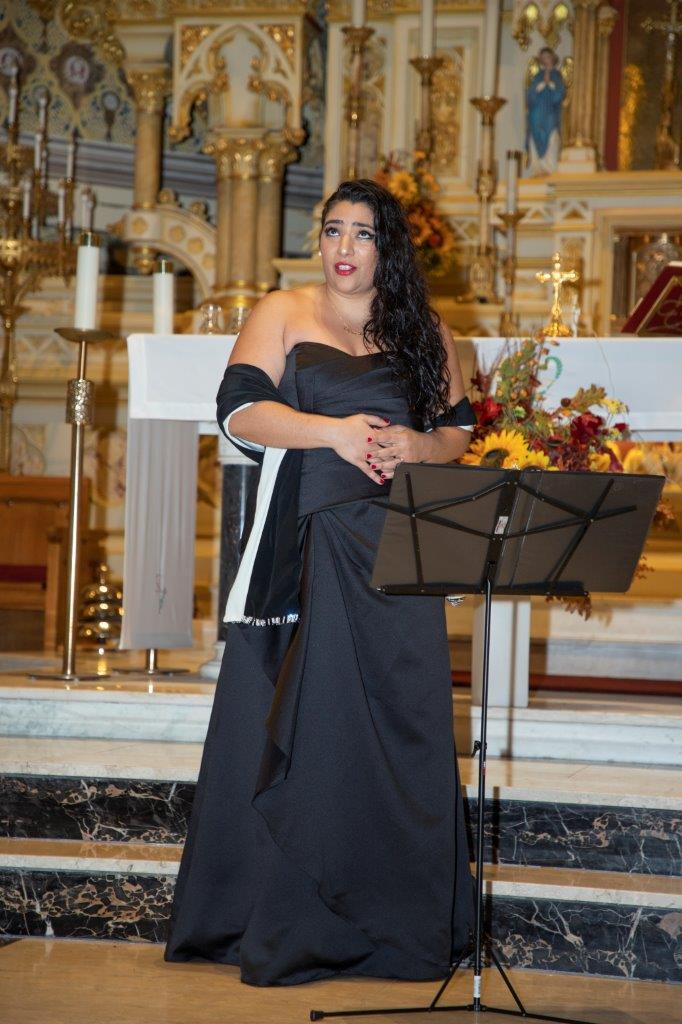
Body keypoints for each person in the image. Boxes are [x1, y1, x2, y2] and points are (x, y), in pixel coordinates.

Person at [163, 178, 476, 987]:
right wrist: (331, 433)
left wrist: (420, 447)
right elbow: (238, 412)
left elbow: (457, 429)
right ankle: (286, 922)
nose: (343, 247)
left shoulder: (424, 328)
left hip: (401, 553)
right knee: (315, 727)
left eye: (362, 234)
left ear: (387, 247)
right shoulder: (283, 310)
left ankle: (397, 925)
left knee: (401, 728)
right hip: (307, 548)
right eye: (333, 230)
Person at [526, 46, 565, 177]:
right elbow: (530, 97)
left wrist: (550, 84)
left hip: (550, 116)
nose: (545, 60)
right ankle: (537, 169)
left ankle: (549, 168)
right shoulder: (537, 77)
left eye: (547, 57)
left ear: (552, 59)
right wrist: (542, 84)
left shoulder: (557, 76)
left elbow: (559, 95)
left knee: (552, 138)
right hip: (536, 116)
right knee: (535, 140)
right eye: (543, 58)